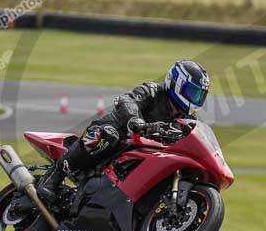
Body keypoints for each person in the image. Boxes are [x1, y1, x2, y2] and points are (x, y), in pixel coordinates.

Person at [38, 59, 209, 205]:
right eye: (192, 92)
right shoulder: (152, 91)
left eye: (199, 95)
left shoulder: (189, 120)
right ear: (176, 83)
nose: (195, 99)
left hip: (145, 153)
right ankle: (54, 179)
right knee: (106, 135)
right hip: (117, 135)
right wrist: (136, 121)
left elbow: (193, 137)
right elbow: (128, 100)